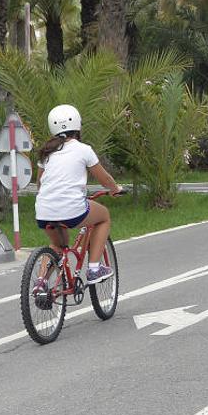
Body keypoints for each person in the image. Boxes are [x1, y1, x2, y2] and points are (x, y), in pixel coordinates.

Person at [35, 104, 122, 285]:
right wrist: (115, 189)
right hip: (72, 210)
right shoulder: (83, 149)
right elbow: (104, 179)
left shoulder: (46, 153)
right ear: (77, 125)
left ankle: (40, 283)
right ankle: (94, 269)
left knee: (58, 245)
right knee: (104, 216)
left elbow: (39, 183)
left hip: (44, 211)